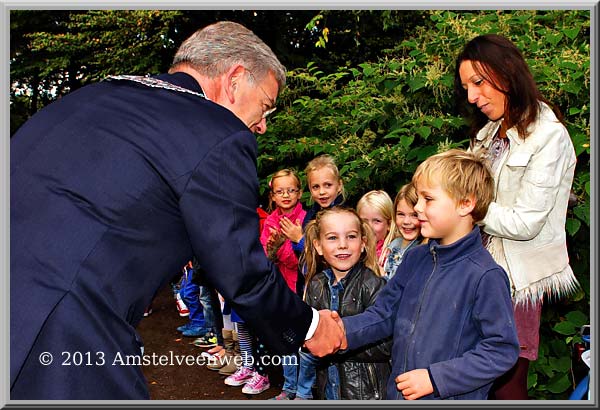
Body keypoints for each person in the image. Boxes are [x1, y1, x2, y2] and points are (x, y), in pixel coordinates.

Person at [10, 21, 343, 400]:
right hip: (63, 324)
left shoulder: (90, 99)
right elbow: (239, 268)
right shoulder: (216, 131)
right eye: (265, 104)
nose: (262, 125)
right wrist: (310, 327)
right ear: (235, 80)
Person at [335, 149, 520, 400]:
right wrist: (340, 330)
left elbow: (501, 350)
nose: (417, 207)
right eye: (417, 198)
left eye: (428, 199)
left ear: (466, 203)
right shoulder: (416, 259)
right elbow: (384, 313)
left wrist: (437, 378)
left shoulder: (485, 276)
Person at [455, 34, 579, 399]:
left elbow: (526, 224)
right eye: (466, 88)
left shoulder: (549, 137)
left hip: (516, 281)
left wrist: (465, 207)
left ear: (506, 73)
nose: (472, 97)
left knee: (507, 385)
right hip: (475, 271)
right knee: (469, 378)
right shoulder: (487, 134)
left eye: (478, 83)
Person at [302, 207, 391, 400]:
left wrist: (338, 342)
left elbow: (387, 345)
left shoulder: (374, 285)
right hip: (329, 390)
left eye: (351, 236)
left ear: (363, 243)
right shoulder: (315, 285)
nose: (343, 245)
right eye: (332, 238)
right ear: (318, 246)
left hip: (366, 394)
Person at [259, 169, 306, 400]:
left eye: (291, 190)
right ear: (273, 196)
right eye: (280, 191)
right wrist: (273, 250)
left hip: (299, 287)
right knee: (285, 339)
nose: (286, 195)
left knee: (303, 338)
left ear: (299, 193)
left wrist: (280, 249)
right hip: (278, 288)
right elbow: (265, 254)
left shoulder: (305, 218)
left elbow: (299, 259)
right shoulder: (270, 220)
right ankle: (289, 387)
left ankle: (304, 390)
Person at [382, 183, 422, 280]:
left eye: (414, 215)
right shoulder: (393, 245)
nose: (406, 222)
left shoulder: (423, 251)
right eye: (401, 214)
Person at [356, 190, 397, 274]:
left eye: (377, 221)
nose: (369, 227)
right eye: (364, 221)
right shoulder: (354, 249)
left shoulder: (393, 254)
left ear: (389, 224)